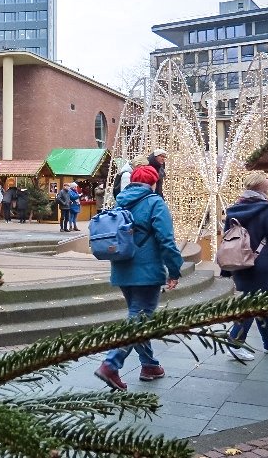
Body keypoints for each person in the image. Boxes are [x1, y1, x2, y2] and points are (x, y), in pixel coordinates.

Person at [94, 164, 183, 391]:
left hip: (122, 269)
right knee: (140, 317)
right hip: (147, 271)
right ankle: (111, 364)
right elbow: (166, 240)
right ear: (153, 183)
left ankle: (149, 365)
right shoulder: (155, 202)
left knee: (138, 316)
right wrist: (174, 270)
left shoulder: (120, 201)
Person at [221, 172, 268, 361]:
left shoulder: (233, 209)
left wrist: (226, 268)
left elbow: (226, 241)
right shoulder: (267, 210)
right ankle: (234, 342)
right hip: (264, 265)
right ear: (262, 189)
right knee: (254, 304)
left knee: (258, 303)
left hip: (240, 264)